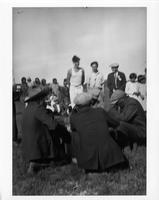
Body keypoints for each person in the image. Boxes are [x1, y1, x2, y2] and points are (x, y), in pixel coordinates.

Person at [70, 92, 129, 173]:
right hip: (109, 156)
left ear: (77, 106)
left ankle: (78, 158)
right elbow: (115, 124)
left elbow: (74, 129)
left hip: (88, 157)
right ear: (90, 102)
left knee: (75, 133)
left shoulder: (73, 118)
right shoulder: (100, 111)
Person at [22, 87, 71, 174]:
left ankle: (38, 161)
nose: (45, 99)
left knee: (54, 129)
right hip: (37, 142)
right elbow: (52, 124)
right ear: (39, 98)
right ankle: (59, 157)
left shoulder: (29, 108)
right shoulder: (38, 108)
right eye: (43, 97)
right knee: (57, 130)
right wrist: (66, 133)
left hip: (28, 144)